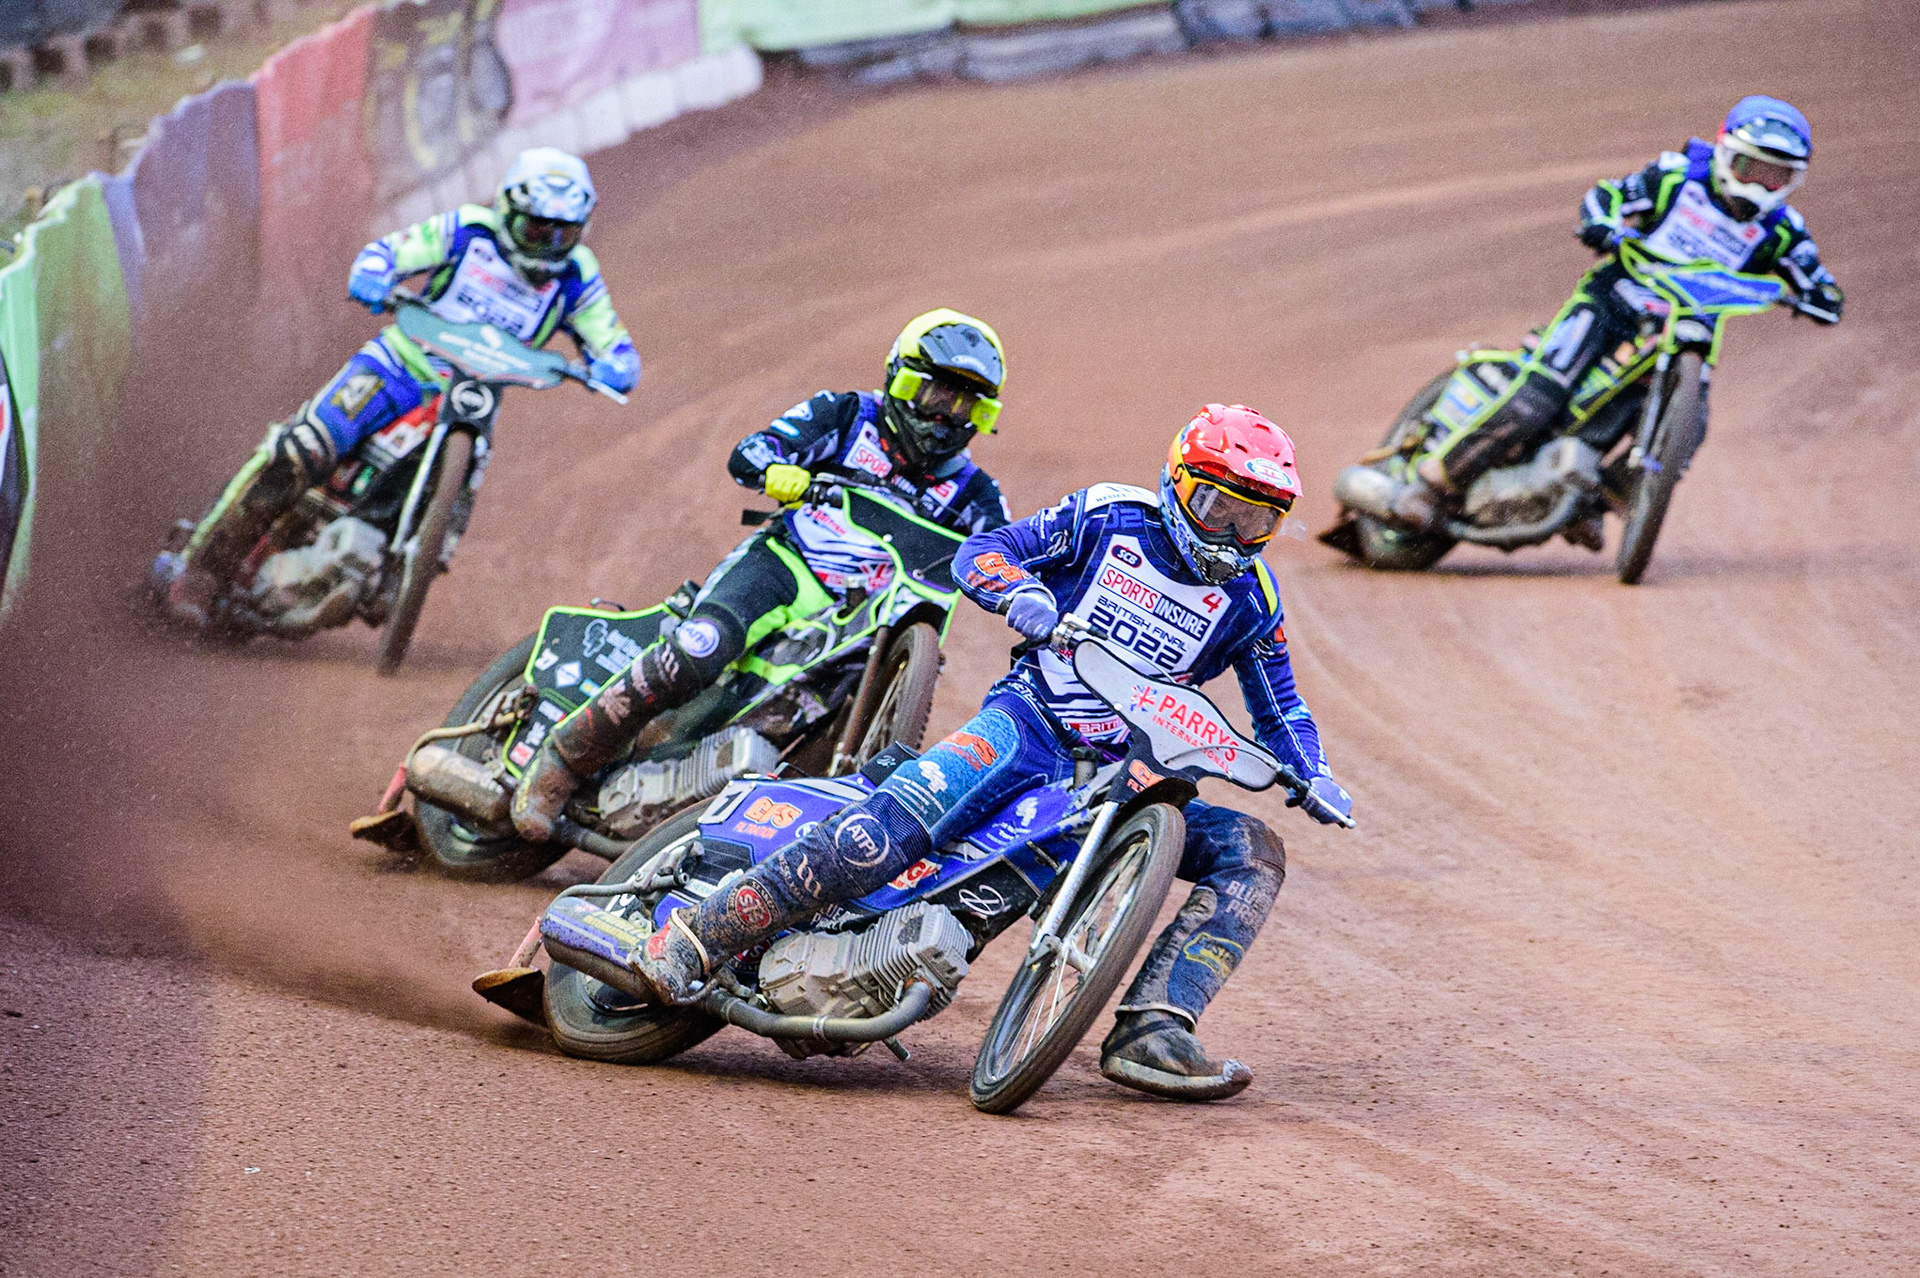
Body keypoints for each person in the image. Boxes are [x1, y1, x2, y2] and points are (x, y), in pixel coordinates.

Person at [610, 403, 1353, 1102]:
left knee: (1252, 850)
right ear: (1179, 483)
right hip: (1027, 722)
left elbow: (1281, 704)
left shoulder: (1253, 600)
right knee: (883, 834)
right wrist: (1021, 593)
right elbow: (986, 551)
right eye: (1219, 506)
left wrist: (1313, 772)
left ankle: (1154, 1030)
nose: (1230, 533)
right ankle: (699, 939)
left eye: (1256, 518)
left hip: (1127, 773)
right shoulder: (1108, 515)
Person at [509, 309, 1014, 839]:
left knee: (801, 729)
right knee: (700, 646)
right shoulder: (844, 416)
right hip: (787, 567)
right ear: (898, 378)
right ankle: (561, 763)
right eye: (936, 395)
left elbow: (1008, 555)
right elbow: (749, 453)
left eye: (964, 404)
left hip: (861, 627)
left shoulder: (979, 496)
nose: (944, 416)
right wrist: (780, 472)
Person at [163, 148, 641, 626]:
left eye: (565, 232)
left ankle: (392, 570)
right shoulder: (469, 230)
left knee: (453, 504)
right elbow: (390, 252)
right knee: (302, 447)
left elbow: (613, 342)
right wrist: (373, 277)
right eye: (537, 229)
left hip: (472, 399)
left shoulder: (578, 274)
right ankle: (198, 568)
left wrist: (613, 368)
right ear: (508, 212)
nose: (549, 245)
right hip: (396, 367)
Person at [1390, 95, 1844, 529]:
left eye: (1775, 176)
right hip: (1611, 306)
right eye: (1751, 168)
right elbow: (1607, 197)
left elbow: (1818, 280)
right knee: (1540, 398)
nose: (1757, 187)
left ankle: (1595, 504)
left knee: (1693, 427)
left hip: (1687, 334)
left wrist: (1821, 298)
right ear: (1726, 152)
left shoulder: (1783, 231)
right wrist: (1602, 225)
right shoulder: (1675, 176)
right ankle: (1432, 484)